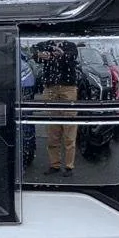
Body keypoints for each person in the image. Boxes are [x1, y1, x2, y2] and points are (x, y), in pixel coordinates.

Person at [34, 40, 80, 174]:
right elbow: (34, 54)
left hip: (68, 88)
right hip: (50, 88)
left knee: (70, 126)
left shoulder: (70, 45)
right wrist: (40, 54)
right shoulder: (45, 44)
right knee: (52, 127)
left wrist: (62, 54)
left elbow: (72, 57)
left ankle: (69, 166)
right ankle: (54, 164)